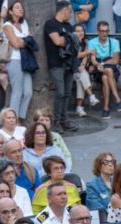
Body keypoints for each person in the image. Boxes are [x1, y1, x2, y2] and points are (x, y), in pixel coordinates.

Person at [44, 1, 80, 133]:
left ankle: (64, 120)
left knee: (67, 93)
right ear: (64, 11)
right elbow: (57, 41)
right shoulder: (51, 24)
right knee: (60, 92)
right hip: (56, 63)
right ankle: (56, 122)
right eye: (70, 12)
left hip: (68, 63)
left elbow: (74, 42)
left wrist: (70, 38)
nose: (71, 15)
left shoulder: (68, 26)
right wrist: (71, 38)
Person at [88, 21, 121, 120]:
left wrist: (102, 64)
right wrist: (97, 65)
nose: (105, 33)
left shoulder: (114, 42)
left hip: (110, 69)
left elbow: (115, 60)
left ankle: (106, 108)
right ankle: (118, 100)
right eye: (102, 31)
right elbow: (93, 59)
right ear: (98, 31)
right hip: (98, 69)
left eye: (106, 31)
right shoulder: (92, 42)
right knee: (108, 71)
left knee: (106, 76)